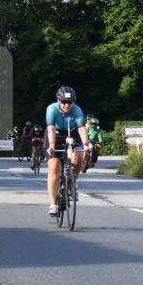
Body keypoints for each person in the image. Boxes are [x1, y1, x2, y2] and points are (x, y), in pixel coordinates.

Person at [44, 86, 91, 216]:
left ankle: (72, 181)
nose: (67, 105)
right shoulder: (51, 109)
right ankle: (53, 204)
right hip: (55, 135)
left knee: (79, 156)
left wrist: (86, 145)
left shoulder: (76, 109)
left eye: (70, 102)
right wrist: (51, 145)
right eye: (64, 102)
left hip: (72, 133)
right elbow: (51, 128)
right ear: (58, 100)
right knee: (54, 167)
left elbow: (81, 128)